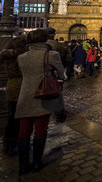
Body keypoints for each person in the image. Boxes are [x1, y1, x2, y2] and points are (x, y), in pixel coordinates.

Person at [16, 29, 65, 175]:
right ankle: (37, 162)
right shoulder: (51, 55)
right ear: (45, 40)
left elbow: (22, 74)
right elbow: (62, 73)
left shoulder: (22, 57)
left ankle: (23, 165)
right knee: (40, 129)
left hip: (25, 96)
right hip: (44, 96)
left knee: (24, 131)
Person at [0, 36, 28, 156]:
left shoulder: (7, 57)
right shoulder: (22, 56)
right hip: (23, 86)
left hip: (11, 86)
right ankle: (19, 144)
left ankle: (8, 145)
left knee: (12, 118)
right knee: (23, 118)